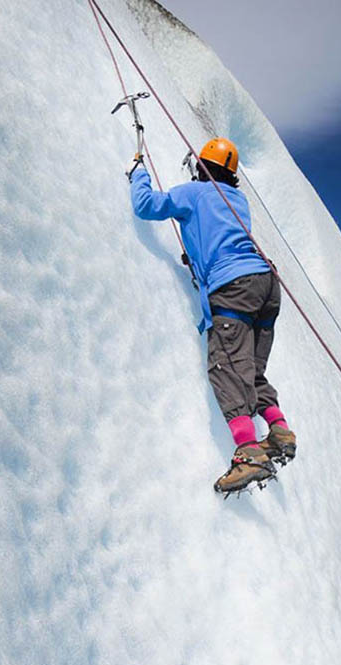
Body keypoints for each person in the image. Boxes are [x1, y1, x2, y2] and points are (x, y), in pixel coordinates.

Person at [129, 137, 296, 494]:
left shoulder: (194, 193)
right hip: (267, 285)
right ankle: (278, 429)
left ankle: (248, 453)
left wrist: (138, 173)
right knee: (251, 367)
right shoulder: (237, 199)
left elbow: (147, 205)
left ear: (202, 165)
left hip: (232, 285)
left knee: (225, 366)